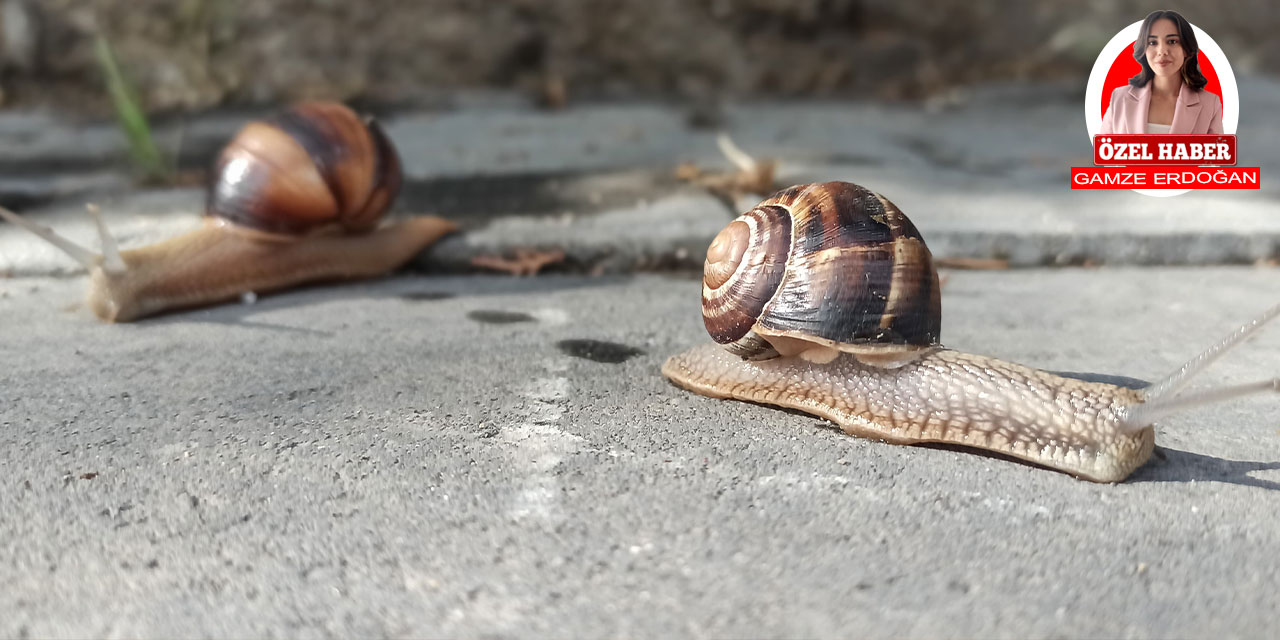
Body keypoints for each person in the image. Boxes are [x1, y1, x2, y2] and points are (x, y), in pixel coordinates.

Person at [1100, 10, 1222, 134]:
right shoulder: (1120, 98)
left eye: (1172, 41)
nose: (1162, 51)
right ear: (1144, 50)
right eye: (1152, 43)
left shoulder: (1210, 104)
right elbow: (1102, 151)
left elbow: (1217, 152)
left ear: (1186, 49)